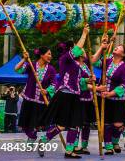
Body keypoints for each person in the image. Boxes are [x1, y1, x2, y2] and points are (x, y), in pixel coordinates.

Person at [38, 26, 90, 158]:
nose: (81, 49)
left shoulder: (78, 65)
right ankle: (43, 140)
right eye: (77, 48)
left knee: (75, 125)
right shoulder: (65, 59)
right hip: (65, 95)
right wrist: (84, 34)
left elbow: (81, 82)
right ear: (71, 50)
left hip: (75, 96)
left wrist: (90, 79)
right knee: (61, 125)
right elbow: (78, 49)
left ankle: (69, 150)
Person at [92, 37, 125, 155]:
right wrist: (102, 47)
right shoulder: (107, 60)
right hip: (104, 98)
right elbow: (94, 61)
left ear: (123, 54)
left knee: (117, 124)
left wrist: (110, 93)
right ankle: (109, 146)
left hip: (117, 99)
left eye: (119, 47)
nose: (116, 47)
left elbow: (124, 85)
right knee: (106, 124)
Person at [15, 46, 57, 144]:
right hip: (29, 98)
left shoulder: (51, 69)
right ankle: (32, 136)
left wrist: (47, 91)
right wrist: (24, 59)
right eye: (49, 54)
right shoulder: (31, 64)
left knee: (38, 124)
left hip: (41, 101)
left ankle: (39, 137)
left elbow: (54, 84)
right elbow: (17, 69)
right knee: (25, 124)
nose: (51, 56)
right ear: (42, 55)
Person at [73, 53, 98, 155]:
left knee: (87, 123)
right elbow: (77, 81)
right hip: (78, 98)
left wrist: (102, 47)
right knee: (77, 123)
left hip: (88, 98)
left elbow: (94, 59)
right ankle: (74, 145)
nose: (85, 52)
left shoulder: (86, 64)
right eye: (82, 50)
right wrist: (92, 83)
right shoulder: (74, 65)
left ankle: (84, 146)